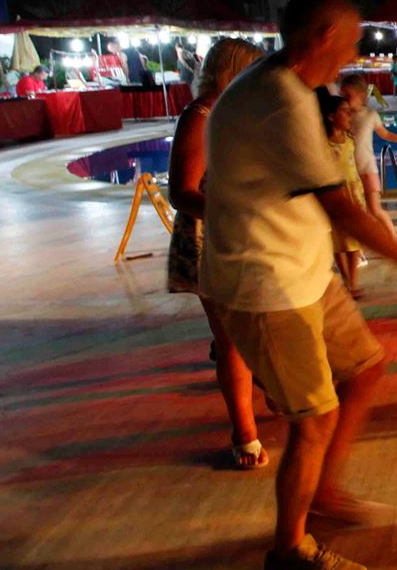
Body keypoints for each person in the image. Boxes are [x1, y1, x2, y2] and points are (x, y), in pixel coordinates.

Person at [198, 0, 397, 570]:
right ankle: (290, 550)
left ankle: (320, 488)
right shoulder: (279, 99)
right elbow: (341, 207)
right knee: (314, 419)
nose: (353, 54)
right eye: (350, 43)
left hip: (304, 272)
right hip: (265, 286)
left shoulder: (290, 88)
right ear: (323, 37)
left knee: (364, 371)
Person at [166, 37, 266, 470]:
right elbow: (182, 192)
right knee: (232, 340)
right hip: (214, 237)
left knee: (260, 327)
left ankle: (270, 390)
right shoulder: (201, 115)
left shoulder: (234, 113)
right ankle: (244, 435)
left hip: (248, 235)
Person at [337, 73, 397, 241]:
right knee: (355, 210)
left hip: (367, 169)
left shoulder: (370, 115)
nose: (344, 99)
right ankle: (359, 245)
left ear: (361, 95)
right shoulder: (342, 116)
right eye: (342, 95)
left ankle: (393, 238)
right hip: (348, 171)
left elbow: (386, 134)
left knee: (374, 209)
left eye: (348, 95)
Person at [320, 92, 368, 299]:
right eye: (344, 111)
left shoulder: (349, 140)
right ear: (331, 116)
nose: (349, 115)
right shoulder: (322, 143)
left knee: (354, 238)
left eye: (349, 111)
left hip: (353, 192)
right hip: (334, 192)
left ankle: (353, 282)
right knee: (338, 239)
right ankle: (347, 281)